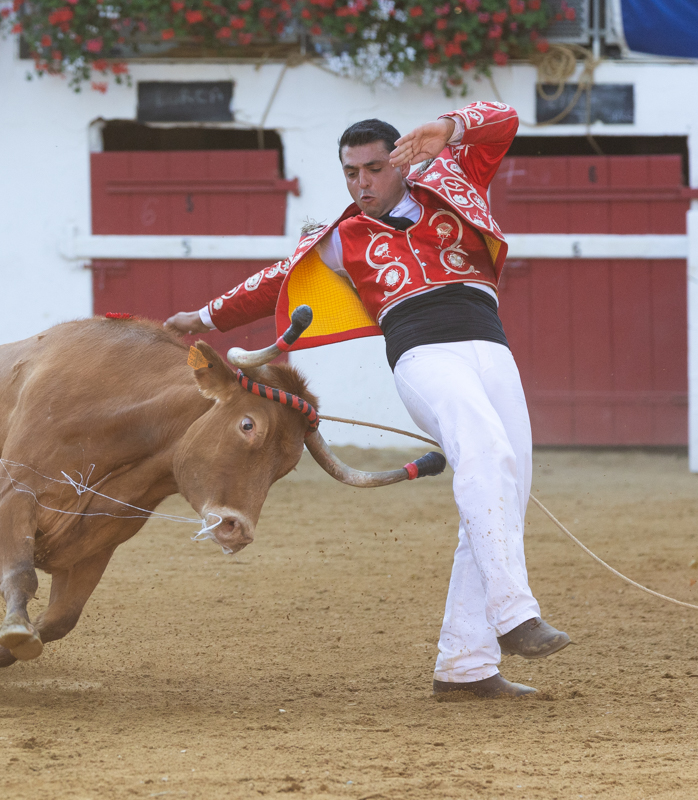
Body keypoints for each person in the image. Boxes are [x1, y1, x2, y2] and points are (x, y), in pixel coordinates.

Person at [164, 102, 570, 699]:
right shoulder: (342, 237)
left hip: (492, 348)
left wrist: (448, 129)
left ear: (402, 161)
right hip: (424, 355)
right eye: (351, 173)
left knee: (503, 494)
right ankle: (514, 614)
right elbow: (276, 281)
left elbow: (504, 121)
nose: (362, 184)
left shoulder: (454, 178)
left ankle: (465, 666)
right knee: (486, 453)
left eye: (374, 169)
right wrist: (202, 317)